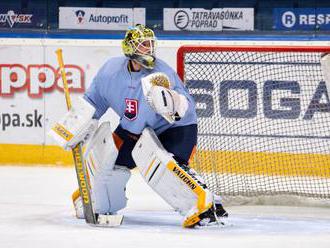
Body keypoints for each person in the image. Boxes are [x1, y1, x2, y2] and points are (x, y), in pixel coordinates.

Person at [51, 24, 228, 228]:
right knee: (107, 161)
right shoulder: (110, 71)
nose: (149, 49)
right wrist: (74, 126)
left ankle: (205, 205)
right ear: (130, 48)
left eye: (151, 44)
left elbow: (185, 107)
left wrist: (173, 102)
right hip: (133, 129)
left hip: (174, 129)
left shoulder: (162, 74)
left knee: (166, 169)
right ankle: (92, 199)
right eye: (144, 45)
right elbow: (92, 102)